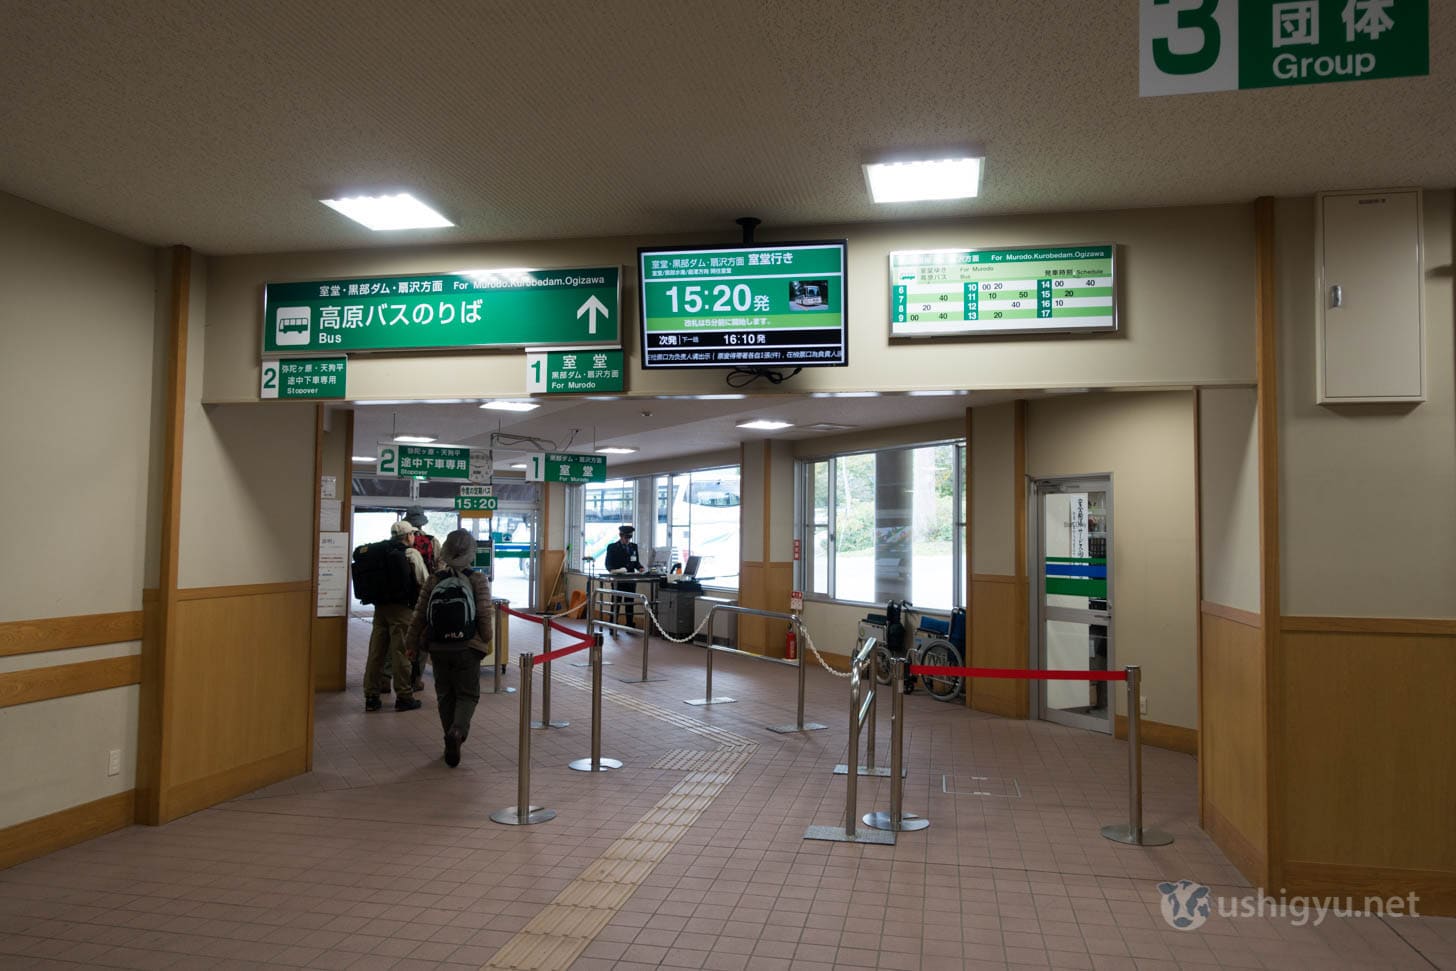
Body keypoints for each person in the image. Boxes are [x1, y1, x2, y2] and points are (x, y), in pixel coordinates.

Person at [406, 529, 492, 767]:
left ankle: (448, 740)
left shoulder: (435, 579)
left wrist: (411, 644)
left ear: (445, 552)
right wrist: (486, 638)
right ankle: (457, 732)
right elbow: (484, 614)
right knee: (467, 694)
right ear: (470, 554)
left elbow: (419, 614)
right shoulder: (478, 579)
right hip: (468, 646)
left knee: (445, 695)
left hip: (438, 647)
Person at [363, 519, 428, 711]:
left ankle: (371, 697)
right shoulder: (410, 553)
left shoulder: (380, 552)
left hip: (380, 608)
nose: (414, 537)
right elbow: (423, 580)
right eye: (412, 534)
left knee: (376, 652)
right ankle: (404, 696)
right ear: (408, 536)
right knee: (401, 652)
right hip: (401, 609)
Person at [402, 506, 439, 691]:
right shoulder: (432, 541)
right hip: (424, 595)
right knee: (422, 637)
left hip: (400, 597)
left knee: (399, 637)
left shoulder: (397, 541)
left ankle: (389, 678)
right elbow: (439, 569)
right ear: (423, 522)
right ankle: (416, 679)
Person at [603, 524, 643, 632]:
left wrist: (640, 568)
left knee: (630, 604)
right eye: (626, 537)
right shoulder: (612, 547)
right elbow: (608, 563)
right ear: (620, 536)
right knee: (616, 603)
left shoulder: (633, 547)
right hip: (618, 580)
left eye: (630, 537)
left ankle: (629, 625)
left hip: (630, 580)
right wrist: (613, 570)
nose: (628, 540)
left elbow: (635, 562)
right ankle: (613, 626)